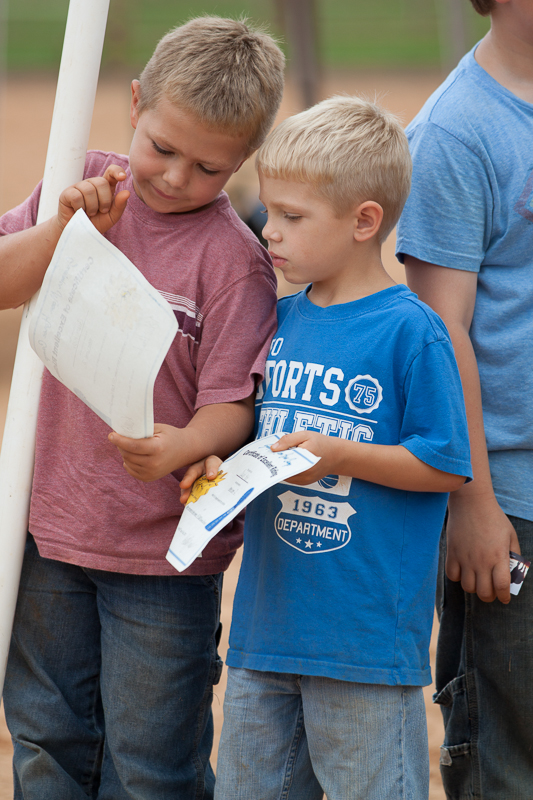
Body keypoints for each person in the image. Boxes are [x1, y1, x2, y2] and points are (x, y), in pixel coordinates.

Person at [0, 17, 285, 800]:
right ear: (135, 103)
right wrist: (67, 229)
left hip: (163, 557)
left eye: (207, 167)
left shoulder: (235, 264)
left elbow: (234, 406)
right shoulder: (84, 182)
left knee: (150, 764)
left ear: (241, 162)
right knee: (47, 740)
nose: (172, 177)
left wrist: (184, 441)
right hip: (52, 530)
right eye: (162, 147)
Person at [180, 95, 473, 800]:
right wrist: (218, 466)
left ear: (363, 221)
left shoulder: (411, 332)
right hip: (264, 633)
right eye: (268, 213)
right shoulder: (276, 320)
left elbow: (443, 463)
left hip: (364, 649)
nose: (269, 233)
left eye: (291, 217)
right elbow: (258, 436)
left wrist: (340, 456)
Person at [396, 0, 533, 796]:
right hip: (510, 502)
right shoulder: (455, 131)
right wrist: (471, 504)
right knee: (504, 754)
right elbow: (440, 333)